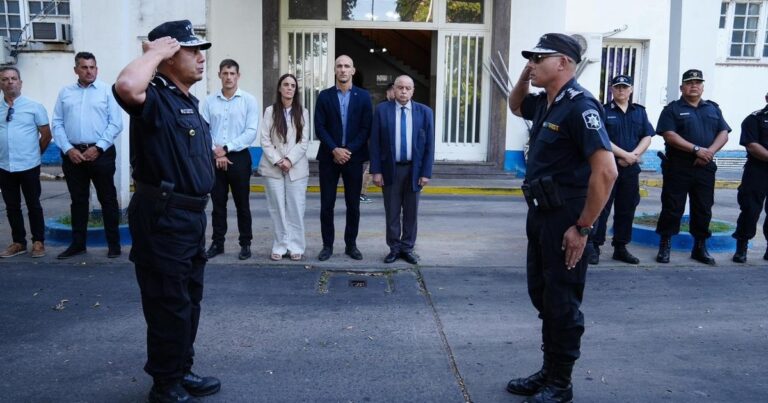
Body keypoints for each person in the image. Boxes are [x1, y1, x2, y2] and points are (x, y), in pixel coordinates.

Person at [112, 20, 220, 403]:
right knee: (167, 303)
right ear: (170, 56)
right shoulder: (154, 96)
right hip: (163, 217)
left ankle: (181, 368)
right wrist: (154, 51)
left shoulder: (185, 100)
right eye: (192, 50)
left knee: (189, 299)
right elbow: (125, 87)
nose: (200, 57)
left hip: (190, 218)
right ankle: (164, 384)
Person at [506, 33, 617, 403]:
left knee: (563, 303)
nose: (532, 64)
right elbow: (514, 104)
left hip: (567, 217)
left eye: (539, 59)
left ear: (564, 63)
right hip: (539, 214)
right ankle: (548, 371)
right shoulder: (546, 103)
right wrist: (525, 76)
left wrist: (583, 228)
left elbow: (606, 172)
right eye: (531, 59)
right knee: (543, 296)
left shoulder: (581, 106)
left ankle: (561, 383)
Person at [52, 52, 124, 260]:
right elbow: (57, 123)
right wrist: (68, 149)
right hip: (73, 155)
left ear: (97, 69)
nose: (89, 71)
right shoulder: (65, 92)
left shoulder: (107, 92)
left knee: (108, 199)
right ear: (76, 70)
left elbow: (115, 123)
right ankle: (78, 244)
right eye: (84, 67)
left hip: (100, 154)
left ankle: (114, 245)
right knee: (78, 200)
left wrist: (98, 148)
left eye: (92, 67)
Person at [655, 69, 730, 265]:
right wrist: (696, 149)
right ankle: (665, 245)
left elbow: (724, 133)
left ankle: (699, 247)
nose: (694, 85)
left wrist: (708, 152)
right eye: (689, 82)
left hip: (705, 166)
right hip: (678, 167)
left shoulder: (713, 109)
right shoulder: (672, 109)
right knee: (672, 207)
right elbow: (669, 135)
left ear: (703, 86)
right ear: (682, 87)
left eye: (697, 82)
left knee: (703, 208)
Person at [585, 75, 654, 265]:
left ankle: (620, 247)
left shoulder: (639, 112)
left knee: (627, 208)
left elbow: (647, 135)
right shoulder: (603, 111)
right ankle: (594, 246)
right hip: (607, 168)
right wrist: (625, 155)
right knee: (601, 208)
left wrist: (634, 155)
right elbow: (602, 138)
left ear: (631, 89)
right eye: (617, 87)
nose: (621, 90)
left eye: (625, 87)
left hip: (630, 169)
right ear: (611, 90)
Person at [369, 75, 434, 264]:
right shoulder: (382, 110)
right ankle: (394, 248)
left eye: (407, 88)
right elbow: (375, 142)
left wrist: (425, 173)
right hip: (391, 170)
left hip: (414, 170)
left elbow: (429, 145)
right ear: (393, 90)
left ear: (413, 90)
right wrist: (376, 171)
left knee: (411, 212)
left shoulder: (425, 112)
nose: (404, 91)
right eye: (400, 87)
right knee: (392, 211)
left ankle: (407, 248)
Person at [314, 55, 372, 261]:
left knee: (353, 205)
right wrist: (334, 149)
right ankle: (327, 246)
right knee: (326, 204)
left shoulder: (364, 97)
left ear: (353, 71)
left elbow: (366, 128)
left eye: (347, 66)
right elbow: (319, 127)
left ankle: (351, 245)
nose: (343, 69)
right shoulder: (324, 96)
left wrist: (348, 150)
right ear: (335, 70)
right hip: (329, 158)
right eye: (339, 66)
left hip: (354, 159)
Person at [201, 59, 259, 261]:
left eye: (232, 73)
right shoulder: (209, 101)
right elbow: (203, 131)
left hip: (239, 158)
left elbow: (251, 132)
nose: (228, 77)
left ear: (238, 76)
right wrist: (217, 152)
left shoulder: (249, 100)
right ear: (219, 75)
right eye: (225, 73)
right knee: (218, 204)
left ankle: (245, 244)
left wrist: (226, 149)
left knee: (242, 204)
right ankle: (218, 243)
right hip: (215, 159)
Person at [0, 66, 52, 259]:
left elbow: (46, 135)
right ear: (0, 84)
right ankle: (18, 242)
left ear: (20, 82)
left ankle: (38, 241)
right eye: (5, 79)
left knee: (33, 204)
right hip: (5, 165)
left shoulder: (33, 106)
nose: (10, 82)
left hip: (29, 164)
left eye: (13, 78)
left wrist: (34, 154)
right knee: (11, 206)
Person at [258, 74, 309, 261]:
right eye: (285, 85)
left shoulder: (303, 112)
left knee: (296, 208)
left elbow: (304, 142)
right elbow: (264, 139)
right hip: (273, 168)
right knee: (277, 208)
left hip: (296, 168)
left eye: (292, 86)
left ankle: (296, 246)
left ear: (296, 90)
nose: (289, 88)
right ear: (279, 88)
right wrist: (279, 160)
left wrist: (289, 160)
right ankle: (280, 246)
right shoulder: (270, 111)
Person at [731, 91, 768, 263]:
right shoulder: (754, 119)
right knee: (750, 209)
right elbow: (752, 146)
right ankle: (742, 247)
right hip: (758, 171)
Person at [360, 82, 396, 204]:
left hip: (386, 145)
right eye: (393, 90)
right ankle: (361, 193)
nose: (395, 93)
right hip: (380, 145)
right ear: (388, 91)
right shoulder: (383, 106)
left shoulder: (392, 105)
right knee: (370, 170)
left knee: (371, 169)